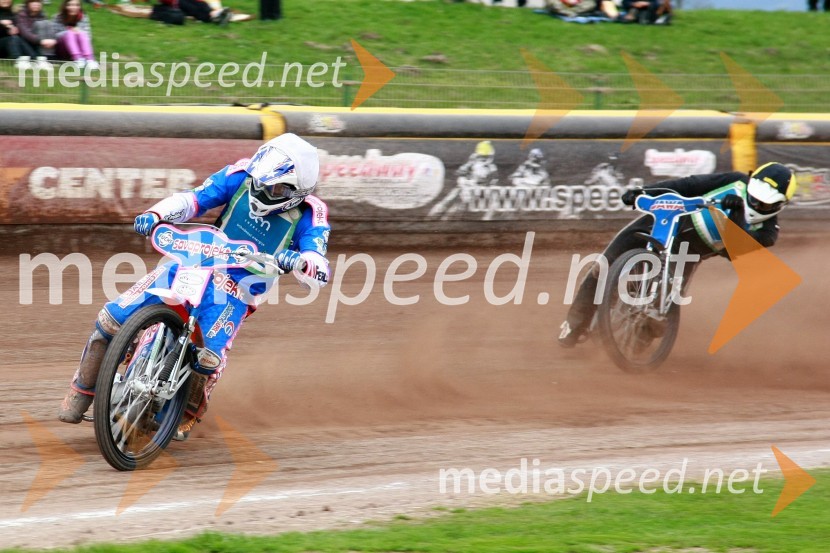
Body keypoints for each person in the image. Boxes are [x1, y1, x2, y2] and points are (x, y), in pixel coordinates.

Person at [58, 133, 331, 440]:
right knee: (111, 318)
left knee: (207, 357)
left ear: (297, 192)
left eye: (277, 188)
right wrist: (156, 213)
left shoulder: (311, 214)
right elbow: (194, 199)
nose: (264, 190)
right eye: (261, 181)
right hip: (196, 260)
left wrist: (302, 262)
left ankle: (185, 413)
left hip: (238, 286)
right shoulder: (238, 176)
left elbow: (318, 264)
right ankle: (81, 389)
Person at [558, 162, 797, 348]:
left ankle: (630, 350)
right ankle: (574, 325)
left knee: (662, 312)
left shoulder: (768, 232)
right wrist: (643, 192)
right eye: (752, 197)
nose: (755, 204)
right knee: (604, 267)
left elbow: (741, 251)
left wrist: (736, 216)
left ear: (779, 206)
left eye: (763, 204)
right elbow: (689, 184)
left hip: (690, 252)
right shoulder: (735, 181)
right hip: (660, 224)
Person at [53, 0, 97, 69]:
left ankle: (89, 59)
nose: (74, 7)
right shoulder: (58, 17)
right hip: (62, 49)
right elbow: (54, 36)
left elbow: (88, 36)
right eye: (70, 5)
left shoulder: (83, 17)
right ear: (65, 6)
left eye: (76, 5)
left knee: (82, 33)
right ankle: (78, 59)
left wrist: (78, 32)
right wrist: (69, 31)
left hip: (79, 46)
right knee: (70, 33)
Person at [15, 0, 56, 65]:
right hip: (25, 41)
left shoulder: (42, 15)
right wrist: (40, 40)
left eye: (38, 2)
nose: (36, 4)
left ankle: (48, 57)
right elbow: (25, 32)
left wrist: (53, 40)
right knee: (40, 25)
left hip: (39, 42)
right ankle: (39, 58)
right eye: (33, 2)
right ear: (28, 4)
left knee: (46, 24)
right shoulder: (21, 15)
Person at [1, 0, 38, 67]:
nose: (6, 0)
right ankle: (17, 60)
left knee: (18, 38)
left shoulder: (13, 13)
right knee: (13, 38)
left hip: (9, 43)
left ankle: (35, 60)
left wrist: (14, 30)